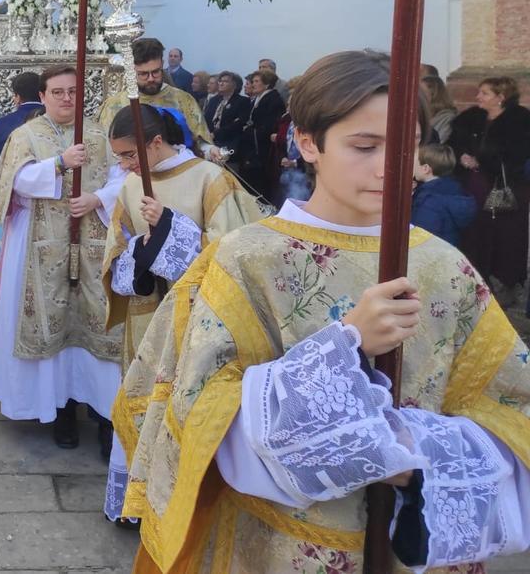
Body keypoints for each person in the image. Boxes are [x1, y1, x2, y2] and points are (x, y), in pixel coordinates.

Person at [112, 50, 530, 573]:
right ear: (308, 142)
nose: (389, 166)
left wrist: (411, 462)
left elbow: (513, 407)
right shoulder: (246, 260)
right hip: (277, 544)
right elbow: (199, 414)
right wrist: (345, 345)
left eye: (404, 146)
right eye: (364, 146)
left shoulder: (446, 268)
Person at [100, 103, 260, 522]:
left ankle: (172, 508)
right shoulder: (131, 187)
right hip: (147, 313)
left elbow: (237, 250)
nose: (124, 165)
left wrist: (171, 227)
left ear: (156, 143)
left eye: (129, 155)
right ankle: (135, 504)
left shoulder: (210, 179)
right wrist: (141, 250)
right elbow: (116, 246)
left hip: (194, 318)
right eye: (118, 157)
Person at [0, 66, 123, 450]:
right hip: (39, 246)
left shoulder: (98, 133)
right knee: (53, 324)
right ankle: (59, 412)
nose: (66, 98)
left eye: (73, 91)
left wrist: (98, 198)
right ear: (42, 97)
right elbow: (15, 182)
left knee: (98, 323)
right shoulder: (25, 135)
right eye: (57, 92)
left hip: (93, 240)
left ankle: (103, 414)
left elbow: (122, 177)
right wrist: (59, 164)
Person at [448, 76, 530, 309]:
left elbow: (516, 155)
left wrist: (483, 160)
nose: (478, 97)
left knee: (506, 237)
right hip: (475, 186)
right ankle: (477, 280)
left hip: (507, 190)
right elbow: (455, 142)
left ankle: (506, 283)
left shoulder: (520, 121)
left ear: (500, 97)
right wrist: (462, 154)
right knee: (476, 233)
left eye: (484, 93)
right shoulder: (472, 119)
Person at [0, 71, 45, 293]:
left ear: (16, 97)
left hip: (13, 205)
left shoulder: (3, 124)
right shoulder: (50, 120)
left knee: (10, 262)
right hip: (47, 203)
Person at [99, 38, 215, 158]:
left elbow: (200, 141)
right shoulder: (114, 105)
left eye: (155, 72)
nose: (151, 79)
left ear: (162, 64)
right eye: (143, 74)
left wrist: (210, 150)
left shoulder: (183, 100)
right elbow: (105, 150)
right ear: (131, 71)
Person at [412, 143, 477, 249]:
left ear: (425, 169)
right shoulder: (454, 190)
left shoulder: (429, 201)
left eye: (414, 164)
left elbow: (421, 238)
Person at [236, 68, 286, 198]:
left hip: (261, 148)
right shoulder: (259, 98)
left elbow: (268, 126)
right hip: (252, 146)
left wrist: (248, 130)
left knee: (259, 184)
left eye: (256, 81)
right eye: (252, 81)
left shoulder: (273, 99)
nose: (253, 84)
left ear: (267, 83)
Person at [204, 71, 250, 152]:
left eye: (225, 81)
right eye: (220, 81)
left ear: (234, 85)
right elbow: (206, 119)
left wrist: (215, 134)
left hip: (228, 142)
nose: (221, 84)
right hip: (209, 140)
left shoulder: (242, 101)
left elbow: (238, 124)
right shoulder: (214, 100)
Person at [422, 73, 457, 143]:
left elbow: (439, 146)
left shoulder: (448, 120)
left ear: (434, 95)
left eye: (422, 93)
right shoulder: (423, 116)